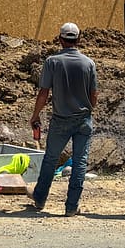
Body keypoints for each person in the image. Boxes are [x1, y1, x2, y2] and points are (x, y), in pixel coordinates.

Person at [28, 22, 98, 215]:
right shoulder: (88, 63)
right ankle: (71, 206)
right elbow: (94, 95)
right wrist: (89, 110)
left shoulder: (53, 62)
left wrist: (35, 115)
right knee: (80, 162)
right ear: (78, 39)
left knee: (51, 159)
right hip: (83, 118)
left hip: (61, 119)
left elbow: (44, 92)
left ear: (60, 39)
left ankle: (40, 199)